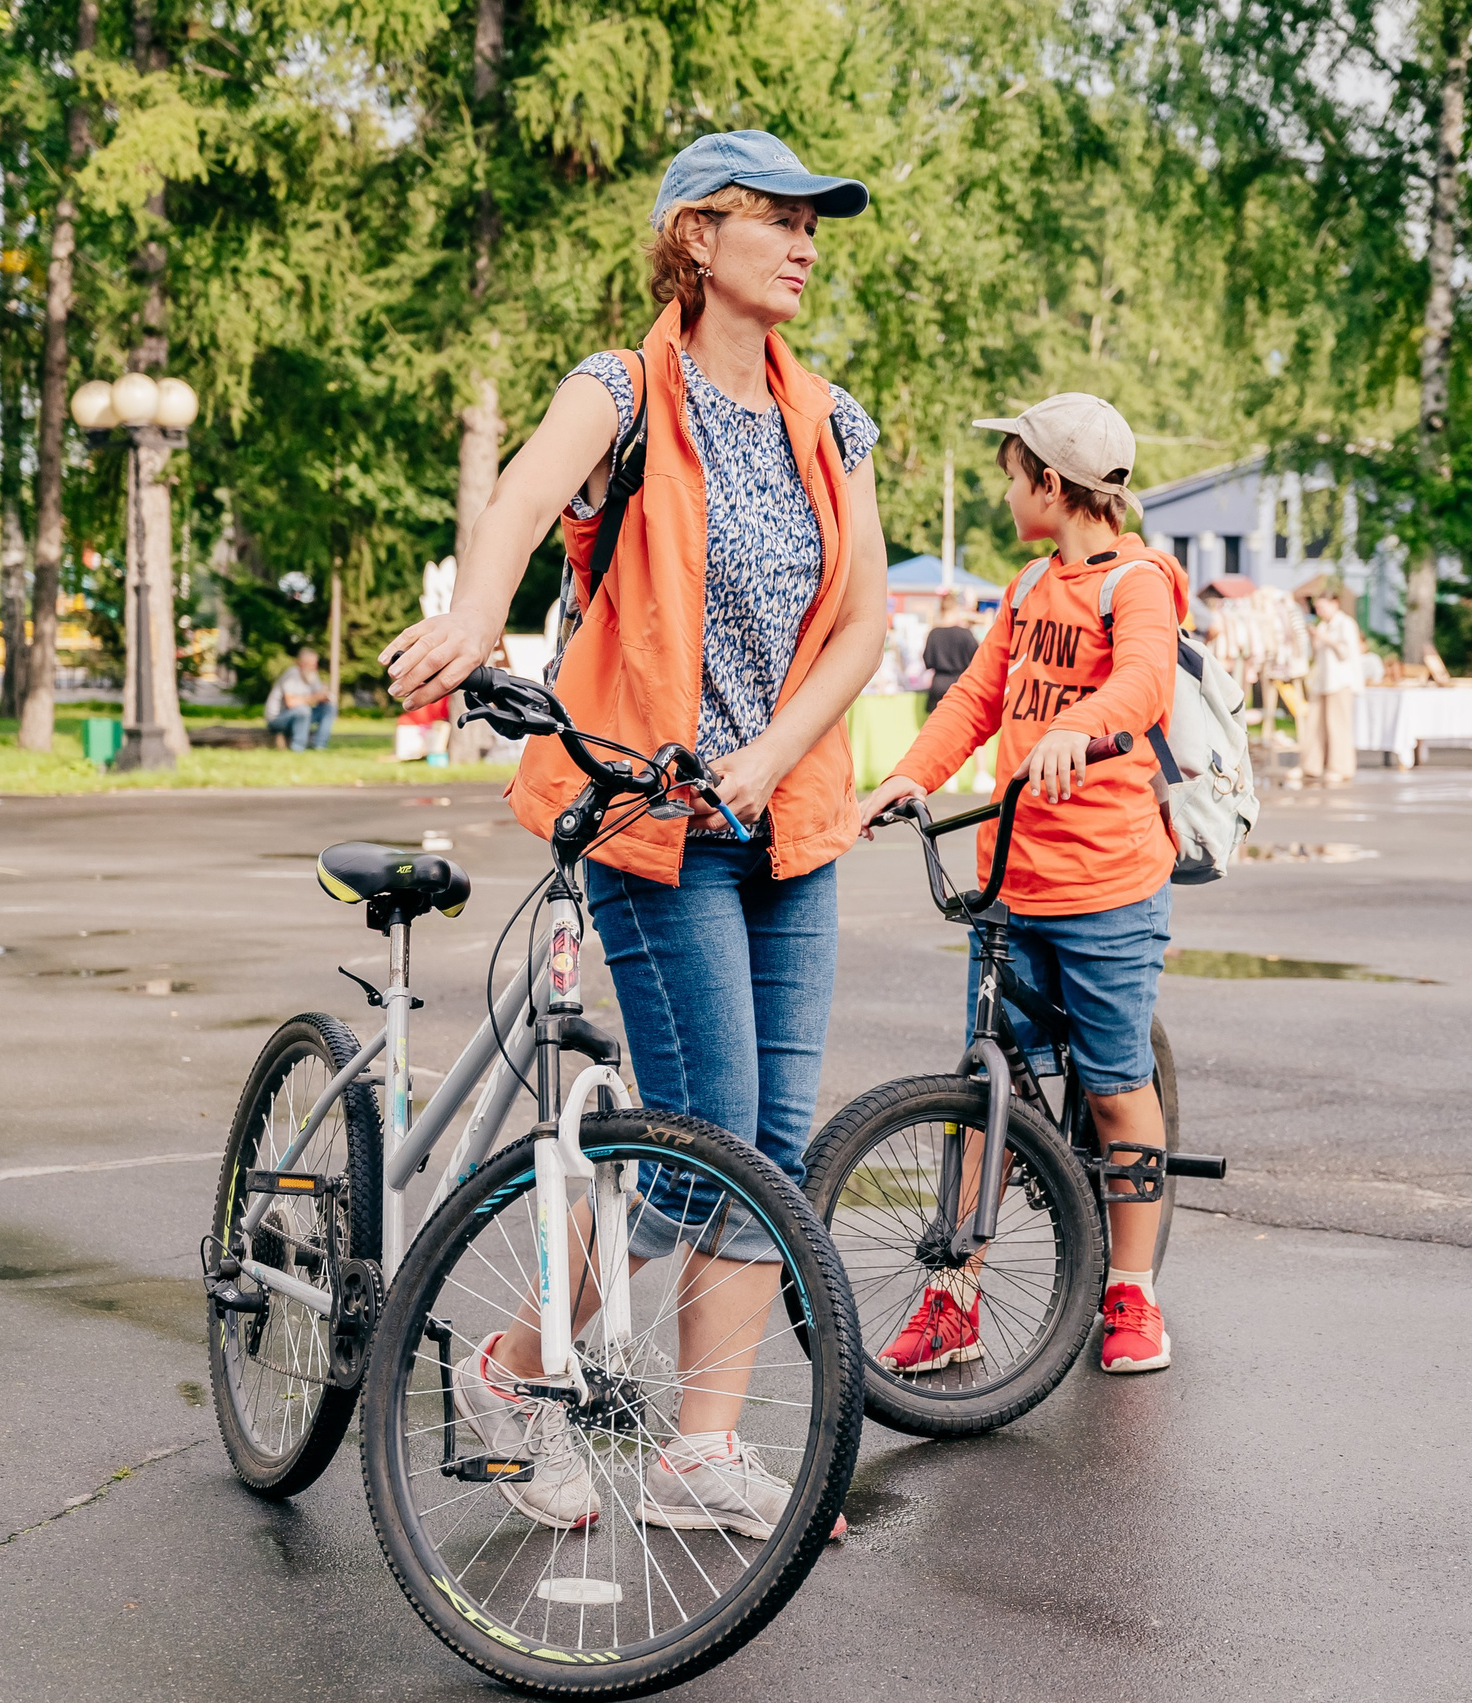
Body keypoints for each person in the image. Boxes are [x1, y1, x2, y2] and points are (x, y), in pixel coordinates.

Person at [379, 130, 890, 1536]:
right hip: (651, 815)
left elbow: (864, 620)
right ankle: (511, 1368)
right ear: (694, 238)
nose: (802, 241)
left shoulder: (832, 417)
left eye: (812, 222)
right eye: (773, 218)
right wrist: (480, 611)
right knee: (701, 1129)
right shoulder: (624, 389)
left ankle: (697, 1447)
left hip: (783, 814)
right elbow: (526, 496)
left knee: (768, 1140)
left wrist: (773, 754)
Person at [858, 391, 1185, 1376]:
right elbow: (976, 695)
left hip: (1108, 883)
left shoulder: (1137, 582)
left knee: (1120, 1087)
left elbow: (1143, 680)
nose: (1004, 492)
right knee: (982, 1097)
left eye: (1010, 475)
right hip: (1012, 880)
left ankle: (1132, 1293)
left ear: (1052, 482)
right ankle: (954, 1295)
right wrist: (909, 774)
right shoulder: (1025, 587)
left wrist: (1083, 727)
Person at [1294, 584, 1363, 788]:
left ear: (1335, 604)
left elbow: (1347, 653)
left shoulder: (1345, 624)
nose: (1320, 612)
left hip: (1340, 682)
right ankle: (1310, 765)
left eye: (1323, 607)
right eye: (1318, 608)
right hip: (1321, 681)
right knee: (1314, 725)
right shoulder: (1322, 625)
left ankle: (1341, 768)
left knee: (1338, 725)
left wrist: (1326, 639)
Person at [921, 590, 980, 716]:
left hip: (938, 685)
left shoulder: (934, 634)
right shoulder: (965, 634)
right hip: (960, 685)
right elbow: (979, 659)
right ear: (956, 609)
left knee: (936, 728)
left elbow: (927, 661)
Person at [263, 647, 334, 750]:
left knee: (329, 708)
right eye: (310, 664)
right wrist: (314, 697)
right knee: (303, 710)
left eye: (315, 663)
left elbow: (318, 694)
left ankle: (320, 745)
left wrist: (325, 697)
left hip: (298, 716)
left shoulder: (312, 674)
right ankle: (298, 747)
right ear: (300, 664)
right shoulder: (292, 674)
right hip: (278, 718)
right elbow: (291, 702)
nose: (314, 667)